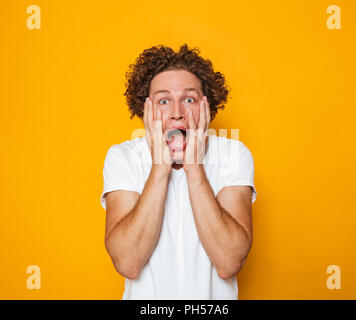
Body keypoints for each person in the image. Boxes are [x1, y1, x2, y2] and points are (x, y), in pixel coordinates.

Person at [100, 44, 257, 299]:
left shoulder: (233, 155)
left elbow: (229, 262)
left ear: (207, 107)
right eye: (164, 101)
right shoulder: (123, 157)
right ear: (146, 110)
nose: (177, 113)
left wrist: (193, 167)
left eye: (189, 99)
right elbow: (128, 262)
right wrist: (160, 167)